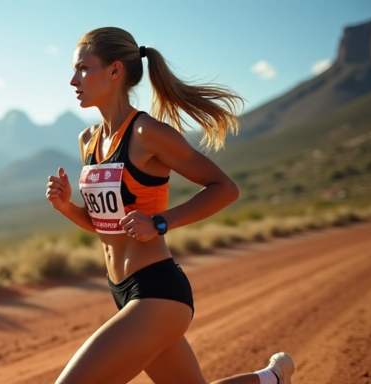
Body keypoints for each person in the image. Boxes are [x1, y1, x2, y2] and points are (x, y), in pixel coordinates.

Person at [45, 27, 295, 384]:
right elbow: (108, 226)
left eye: (83, 68)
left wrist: (160, 223)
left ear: (115, 71)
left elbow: (225, 188)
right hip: (122, 290)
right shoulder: (88, 140)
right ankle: (272, 378)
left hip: (157, 293)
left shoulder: (147, 134)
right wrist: (66, 206)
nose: (73, 79)